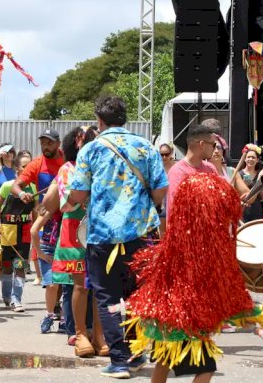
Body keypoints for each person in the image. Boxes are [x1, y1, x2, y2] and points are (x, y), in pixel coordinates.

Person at [126, 173, 263, 383]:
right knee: (206, 370)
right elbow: (220, 288)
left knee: (164, 360)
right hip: (184, 323)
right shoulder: (207, 251)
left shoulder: (176, 243)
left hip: (166, 320)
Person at [69, 96, 168, 378]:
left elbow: (77, 194)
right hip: (142, 234)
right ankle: (137, 355)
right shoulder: (146, 146)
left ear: (99, 120)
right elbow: (161, 189)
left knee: (107, 296)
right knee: (137, 296)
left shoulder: (91, 149)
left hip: (103, 236)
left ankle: (120, 361)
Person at [47, 126, 108, 358]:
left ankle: (99, 334)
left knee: (100, 286)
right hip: (76, 231)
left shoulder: (102, 166)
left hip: (100, 229)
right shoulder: (67, 169)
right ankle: (81, 333)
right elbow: (69, 202)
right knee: (81, 285)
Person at [11, 128, 66, 334]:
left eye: (50, 142)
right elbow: (17, 185)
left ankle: (60, 310)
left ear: (58, 144)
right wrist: (22, 194)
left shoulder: (68, 160)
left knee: (67, 272)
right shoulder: (36, 164)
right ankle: (52, 311)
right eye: (43, 142)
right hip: (46, 221)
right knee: (51, 275)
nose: (46, 146)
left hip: (69, 219)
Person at [0, 150, 35, 312]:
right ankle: (7, 297)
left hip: (24, 232)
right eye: (25, 166)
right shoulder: (6, 186)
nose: (29, 168)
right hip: (7, 230)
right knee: (6, 266)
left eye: (31, 165)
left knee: (20, 265)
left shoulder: (34, 187)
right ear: (17, 169)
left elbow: (37, 210)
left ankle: (16, 299)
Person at [167, 125, 218, 210]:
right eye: (213, 144)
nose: (215, 149)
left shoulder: (211, 168)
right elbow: (178, 207)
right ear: (202, 144)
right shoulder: (178, 172)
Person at [239, 144, 263, 222]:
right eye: (248, 157)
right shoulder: (239, 174)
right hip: (243, 210)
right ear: (244, 159)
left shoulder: (261, 173)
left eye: (253, 157)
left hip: (256, 210)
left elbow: (261, 196)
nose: (250, 159)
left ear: (257, 160)